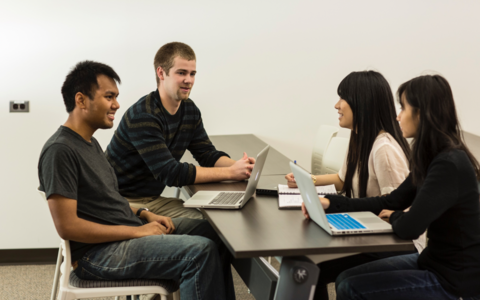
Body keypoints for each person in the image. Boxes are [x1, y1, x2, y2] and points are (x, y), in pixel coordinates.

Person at [38, 60, 235, 300]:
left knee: (217, 232)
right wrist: (137, 233)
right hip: (97, 255)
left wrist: (144, 214)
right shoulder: (60, 151)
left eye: (116, 97)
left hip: (126, 231)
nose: (116, 105)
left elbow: (107, 201)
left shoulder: (89, 143)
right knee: (199, 252)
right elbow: (68, 226)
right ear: (81, 100)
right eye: (109, 97)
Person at [303, 74, 480, 299]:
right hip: (432, 262)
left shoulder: (448, 164)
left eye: (403, 109)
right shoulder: (430, 157)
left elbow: (410, 226)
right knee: (344, 279)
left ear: (422, 113)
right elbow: (391, 201)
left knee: (351, 287)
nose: (397, 117)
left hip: (453, 281)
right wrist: (331, 203)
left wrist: (395, 216)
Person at [286, 71, 414, 299]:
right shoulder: (360, 137)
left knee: (309, 266)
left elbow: (393, 208)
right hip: (366, 232)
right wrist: (308, 180)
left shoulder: (384, 149)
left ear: (361, 103)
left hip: (386, 244)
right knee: (305, 261)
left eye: (342, 98)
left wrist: (340, 210)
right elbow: (342, 179)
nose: (336, 105)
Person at [105, 42, 255, 220]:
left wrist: (241, 167)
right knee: (211, 227)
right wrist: (230, 173)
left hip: (152, 199)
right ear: (161, 73)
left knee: (215, 222)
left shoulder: (189, 110)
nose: (189, 80)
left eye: (192, 74)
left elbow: (207, 154)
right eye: (181, 73)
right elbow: (170, 172)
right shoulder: (144, 115)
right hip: (121, 202)